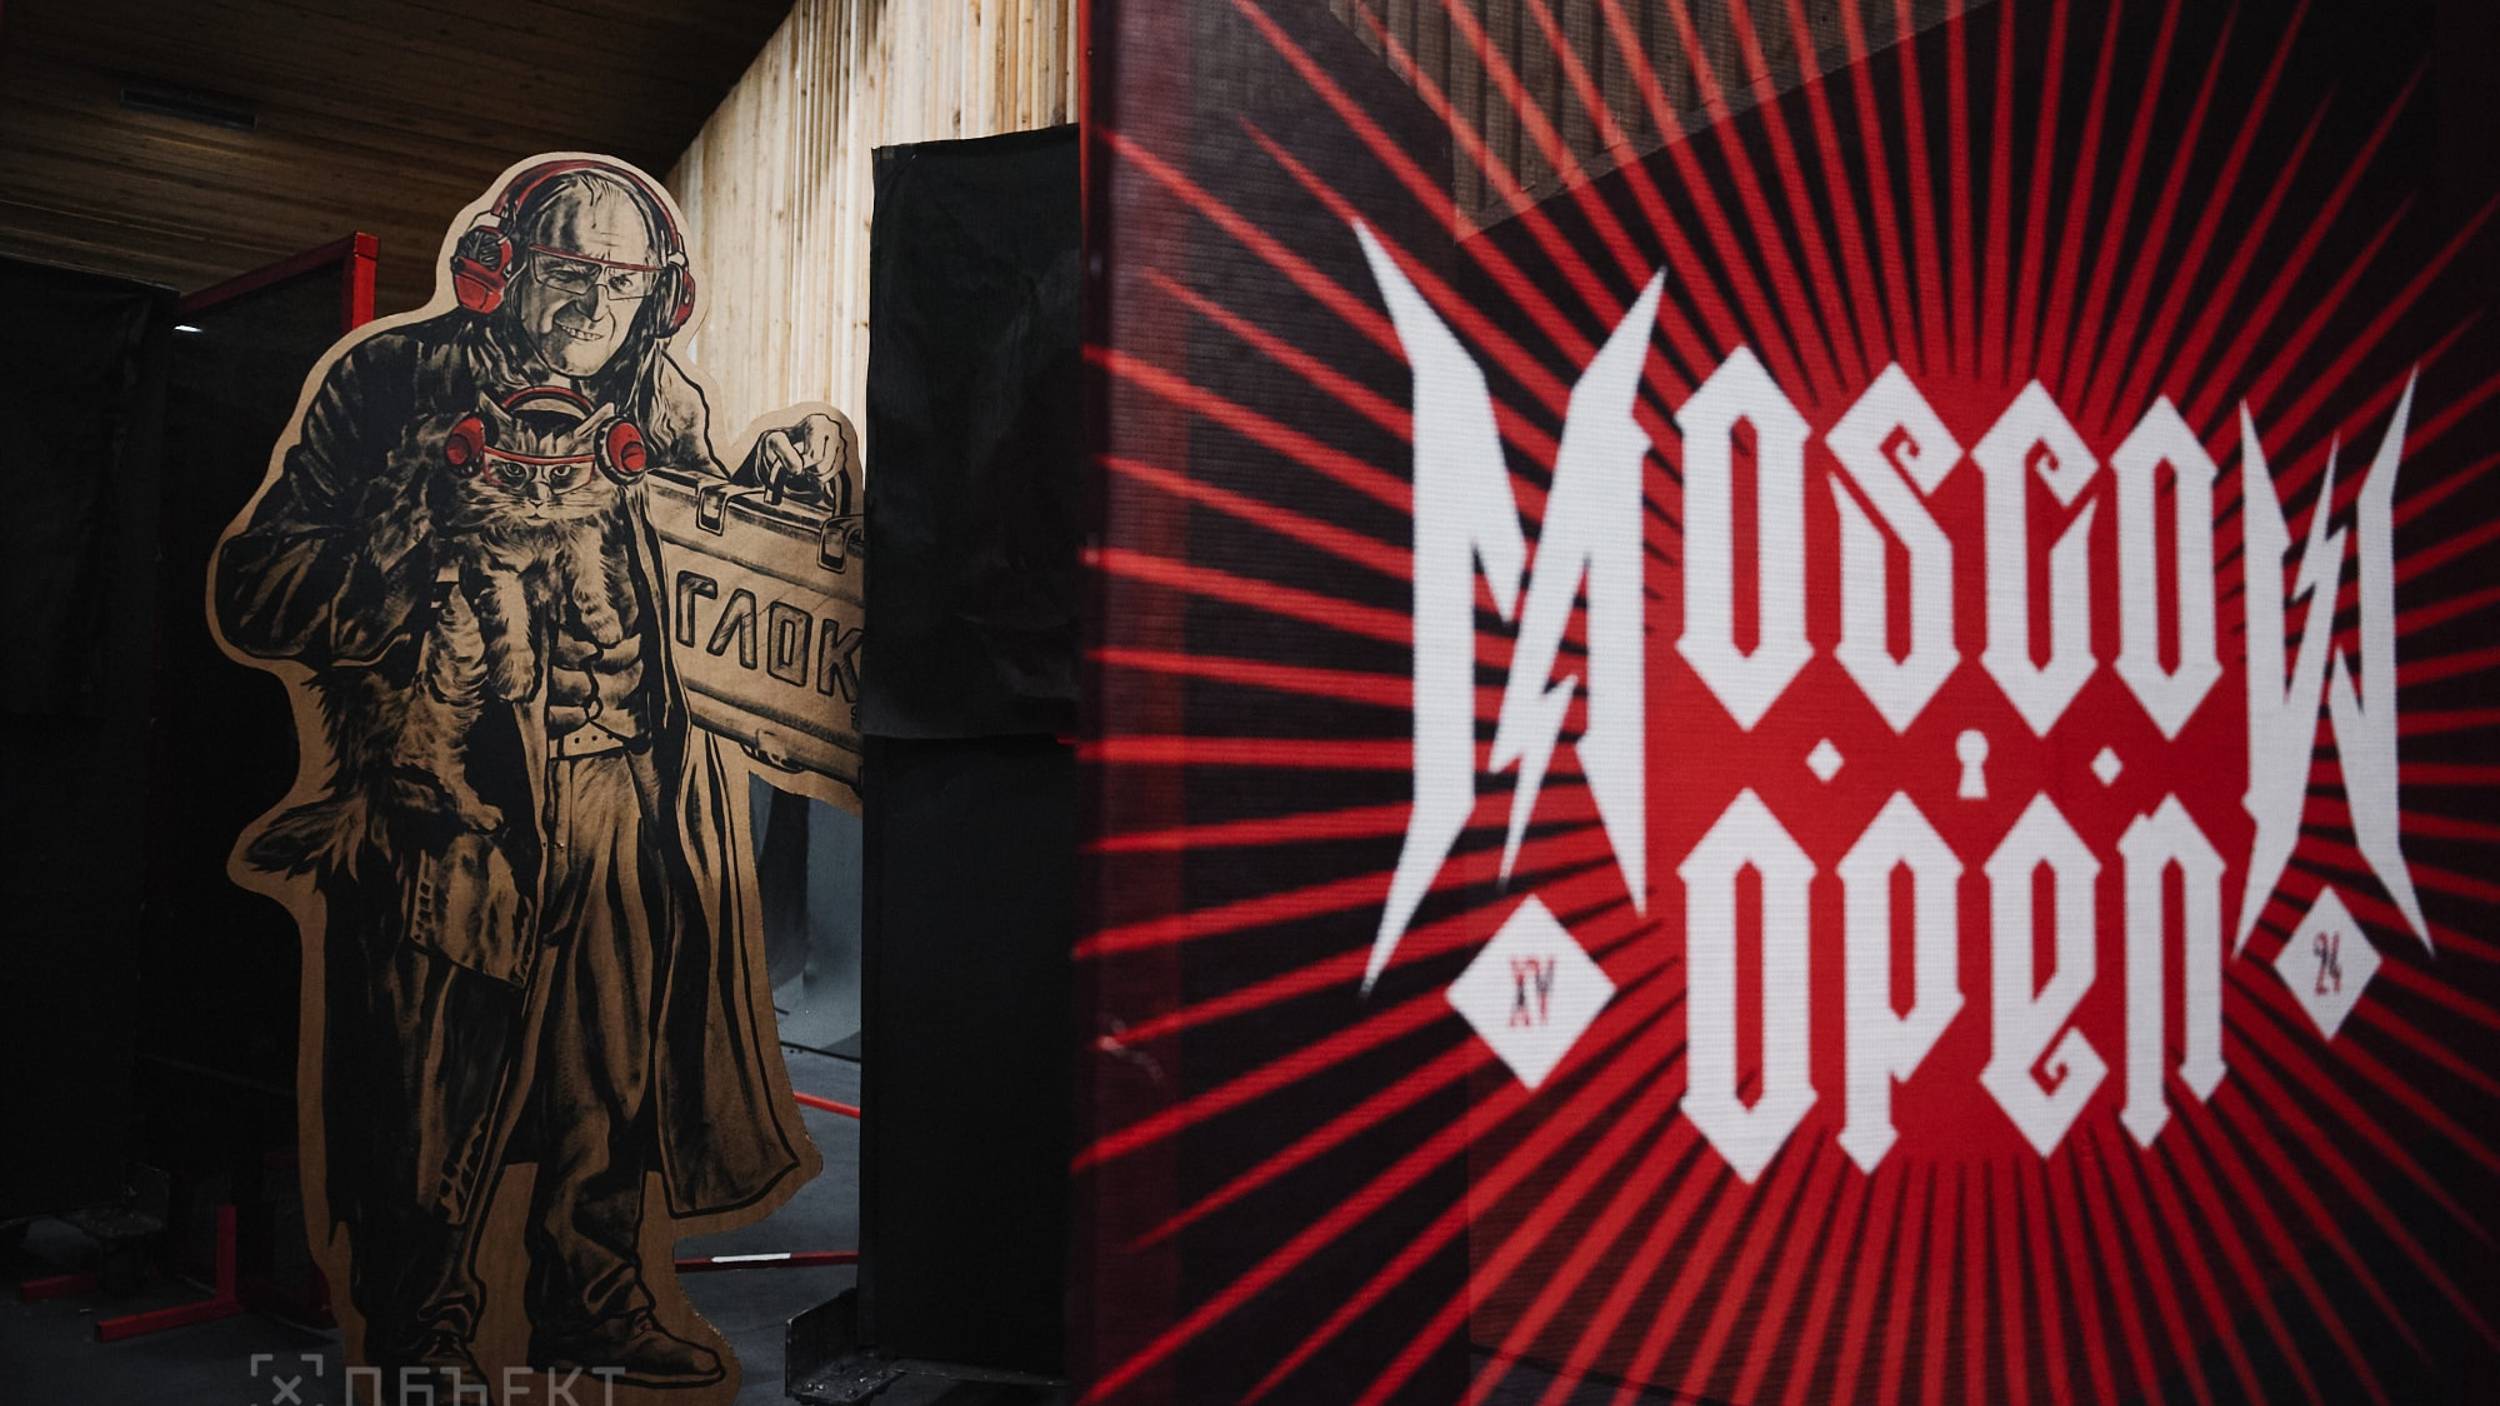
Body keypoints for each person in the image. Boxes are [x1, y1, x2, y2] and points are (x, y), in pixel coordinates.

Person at [214, 158, 833, 1399]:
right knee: (429, 1081)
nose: (596, 306)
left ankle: (593, 1301)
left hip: (622, 786)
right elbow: (255, 585)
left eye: (624, 282)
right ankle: (422, 1325)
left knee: (607, 1072)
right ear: (499, 270)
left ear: (661, 298)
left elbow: (702, 576)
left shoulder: (658, 397)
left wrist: (777, 502)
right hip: (450, 795)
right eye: (569, 272)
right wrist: (410, 562)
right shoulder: (390, 379)